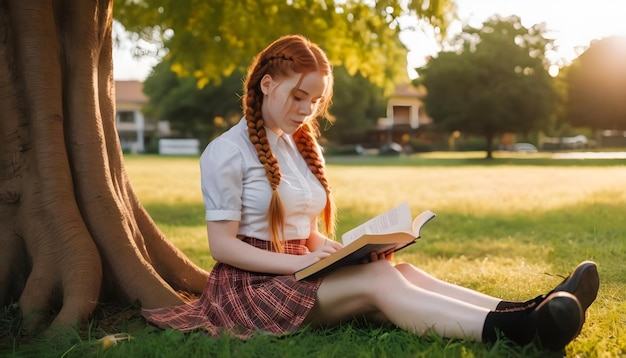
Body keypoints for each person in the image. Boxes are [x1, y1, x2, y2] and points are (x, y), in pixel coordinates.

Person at [142, 34, 600, 351]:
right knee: (383, 282)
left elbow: (305, 230)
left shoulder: (299, 146)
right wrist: (303, 262)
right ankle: (521, 330)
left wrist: (342, 251)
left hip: (299, 273)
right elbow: (221, 245)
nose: (306, 111)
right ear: (267, 84)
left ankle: (529, 307)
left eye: (314, 101)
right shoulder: (226, 152)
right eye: (298, 97)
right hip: (250, 291)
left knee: (404, 270)